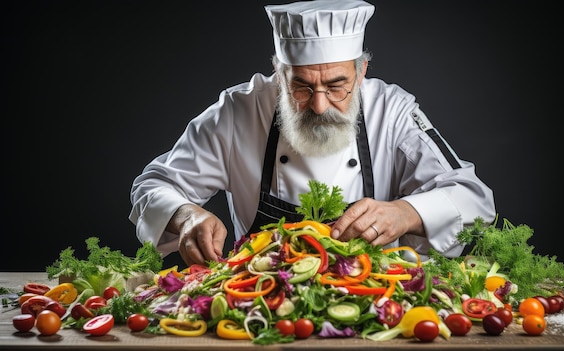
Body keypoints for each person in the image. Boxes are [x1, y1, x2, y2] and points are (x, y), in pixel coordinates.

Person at [129, 0, 496, 267]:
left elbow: (474, 199)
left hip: (377, 303)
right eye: (301, 87)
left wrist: (405, 212)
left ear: (362, 70)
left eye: (338, 86)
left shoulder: (393, 112)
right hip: (260, 302)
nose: (319, 106)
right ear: (278, 71)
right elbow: (152, 185)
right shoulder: (239, 112)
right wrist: (186, 215)